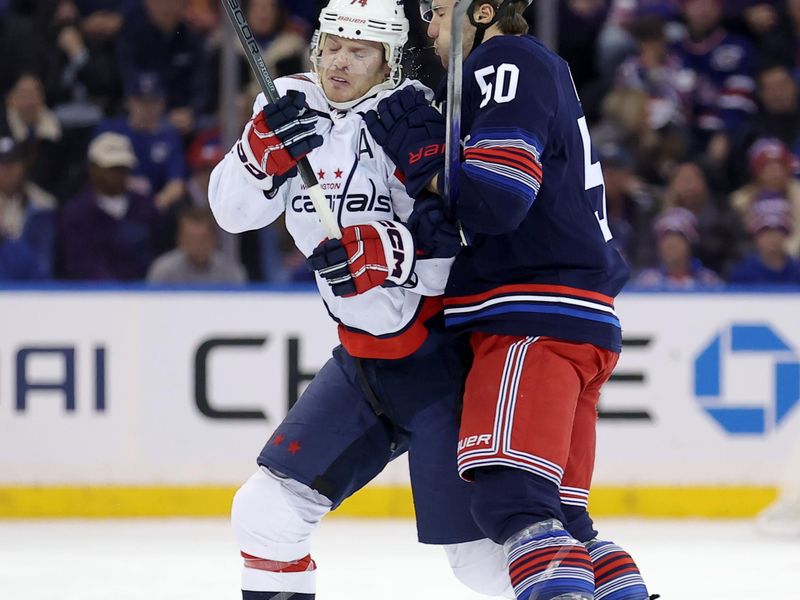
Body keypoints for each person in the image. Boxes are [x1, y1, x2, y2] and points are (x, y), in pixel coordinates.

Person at [328, 1, 658, 598]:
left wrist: (425, 162)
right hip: (574, 319)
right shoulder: (532, 67)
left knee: (509, 498)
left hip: (533, 315)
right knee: (563, 519)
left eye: (438, 9)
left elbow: (498, 199)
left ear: (482, 10)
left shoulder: (502, 58)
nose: (428, 25)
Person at [208, 1, 511, 599]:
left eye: (360, 50)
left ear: (390, 60)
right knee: (265, 515)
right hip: (365, 366)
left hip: (443, 366)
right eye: (332, 44)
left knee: (479, 559)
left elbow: (471, 245)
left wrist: (388, 253)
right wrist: (257, 156)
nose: (339, 62)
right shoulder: (286, 105)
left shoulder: (415, 118)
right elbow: (231, 212)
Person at [60, 131, 160, 280]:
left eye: (122, 167)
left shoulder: (146, 208)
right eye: (111, 168)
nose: (118, 174)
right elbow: (78, 264)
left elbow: (155, 256)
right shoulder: (76, 213)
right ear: (93, 169)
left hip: (143, 294)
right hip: (91, 297)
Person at [146, 206, 246, 284]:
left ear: (214, 240)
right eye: (190, 239)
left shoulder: (231, 273)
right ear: (180, 239)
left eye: (202, 239)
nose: (196, 245)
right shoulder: (164, 271)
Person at [634, 206, 724, 288]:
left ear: (690, 243)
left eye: (679, 238)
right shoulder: (646, 282)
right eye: (666, 239)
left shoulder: (709, 281)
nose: (672, 244)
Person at [728, 197, 800, 285]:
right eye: (765, 232)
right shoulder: (742, 272)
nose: (772, 238)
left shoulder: (797, 270)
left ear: (786, 235)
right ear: (756, 237)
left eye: (778, 231)